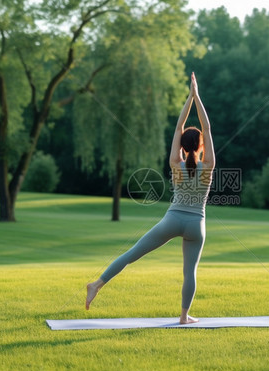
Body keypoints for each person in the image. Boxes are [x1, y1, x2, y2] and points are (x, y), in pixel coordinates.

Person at [85, 72, 215, 324]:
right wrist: (197, 97)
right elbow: (206, 127)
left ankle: (97, 284)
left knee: (132, 254)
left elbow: (179, 127)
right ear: (200, 146)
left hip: (172, 219)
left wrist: (189, 97)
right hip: (197, 225)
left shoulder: (175, 163)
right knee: (190, 272)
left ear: (182, 146)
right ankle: (184, 316)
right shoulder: (208, 165)